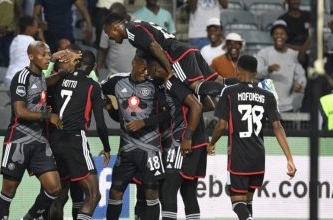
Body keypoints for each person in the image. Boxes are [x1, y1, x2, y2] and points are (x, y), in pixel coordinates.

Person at [208, 54, 297, 220]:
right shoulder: (267, 95)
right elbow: (278, 127)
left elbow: (221, 125)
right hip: (258, 155)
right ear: (256, 73)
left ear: (237, 71)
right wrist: (289, 159)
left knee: (237, 202)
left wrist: (211, 143)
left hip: (238, 156)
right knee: (248, 201)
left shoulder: (229, 92)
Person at [0, 41, 63, 220]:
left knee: (54, 188)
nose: (47, 58)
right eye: (43, 55)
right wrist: (48, 116)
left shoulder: (41, 76)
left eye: (49, 54)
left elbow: (47, 82)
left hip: (39, 141)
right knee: (9, 190)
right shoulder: (21, 77)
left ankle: (29, 218)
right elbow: (20, 111)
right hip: (19, 138)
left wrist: (65, 70)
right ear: (31, 56)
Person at [47, 48, 111, 220]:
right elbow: (101, 124)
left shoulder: (59, 79)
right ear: (92, 67)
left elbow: (41, 87)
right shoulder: (93, 85)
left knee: (59, 196)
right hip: (74, 139)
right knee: (94, 194)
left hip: (53, 139)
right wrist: (106, 147)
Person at [102, 54, 164, 220]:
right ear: (134, 63)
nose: (146, 72)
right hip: (126, 150)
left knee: (151, 193)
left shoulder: (156, 84)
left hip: (150, 150)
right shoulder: (116, 81)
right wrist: (108, 107)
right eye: (143, 68)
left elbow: (168, 115)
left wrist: (144, 122)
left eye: (148, 69)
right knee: (115, 192)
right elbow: (95, 90)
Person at [103, 12, 224, 98]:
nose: (111, 39)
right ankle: (239, 87)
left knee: (196, 86)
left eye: (109, 35)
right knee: (217, 79)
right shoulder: (136, 24)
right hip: (185, 49)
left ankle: (228, 92)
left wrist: (169, 72)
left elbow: (155, 47)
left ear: (113, 28)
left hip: (176, 54)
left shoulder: (132, 31)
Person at [147, 57, 208, 220]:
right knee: (188, 191)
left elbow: (197, 106)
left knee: (168, 189)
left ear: (154, 69)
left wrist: (187, 135)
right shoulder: (185, 82)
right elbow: (209, 104)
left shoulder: (173, 83)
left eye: (150, 70)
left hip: (184, 141)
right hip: (200, 140)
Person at [256, 20, 306, 112]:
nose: (279, 36)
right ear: (272, 36)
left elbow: (301, 75)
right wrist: (268, 69)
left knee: (288, 127)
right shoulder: (263, 53)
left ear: (286, 36)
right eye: (276, 33)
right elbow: (257, 74)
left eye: (282, 33)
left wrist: (300, 83)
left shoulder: (293, 55)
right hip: (267, 106)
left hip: (288, 106)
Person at [96, 3, 136, 80]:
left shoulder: (137, 24)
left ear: (124, 15)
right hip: (112, 74)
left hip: (133, 74)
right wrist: (99, 65)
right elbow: (102, 49)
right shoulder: (108, 26)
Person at [5, 15, 39, 87]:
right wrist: (41, 37)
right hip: (22, 80)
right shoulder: (30, 41)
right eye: (36, 27)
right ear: (29, 28)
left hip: (10, 77)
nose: (37, 29)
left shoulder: (15, 39)